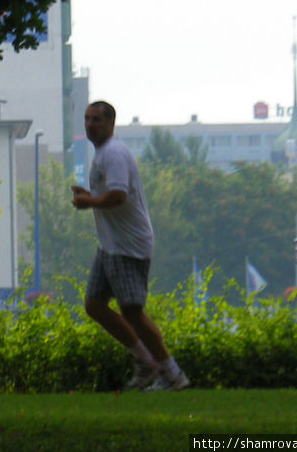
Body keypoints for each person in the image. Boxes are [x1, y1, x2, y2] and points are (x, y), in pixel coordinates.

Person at [72, 101, 190, 391]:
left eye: (96, 119)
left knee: (133, 311)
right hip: (110, 245)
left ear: (111, 123)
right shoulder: (102, 153)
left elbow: (118, 197)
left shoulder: (114, 153)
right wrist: (91, 196)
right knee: (95, 305)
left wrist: (90, 202)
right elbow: (110, 195)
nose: (90, 124)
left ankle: (172, 375)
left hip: (128, 246)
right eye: (87, 119)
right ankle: (147, 362)